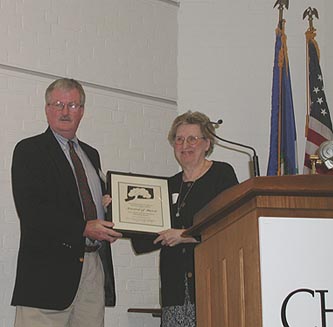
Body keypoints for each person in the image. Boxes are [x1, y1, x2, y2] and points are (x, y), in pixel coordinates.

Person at [11, 78, 122, 327]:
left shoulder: (91, 155)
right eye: (58, 104)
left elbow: (89, 205)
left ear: (82, 111)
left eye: (72, 105)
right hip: (46, 273)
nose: (64, 111)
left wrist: (112, 214)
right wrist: (83, 227)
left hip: (93, 266)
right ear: (47, 108)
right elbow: (32, 211)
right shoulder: (29, 151)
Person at [131, 111, 239, 326]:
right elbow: (143, 239)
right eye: (179, 139)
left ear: (207, 143)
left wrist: (186, 236)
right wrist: (118, 210)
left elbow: (231, 224)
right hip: (175, 292)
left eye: (192, 139)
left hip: (212, 285)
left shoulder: (221, 174)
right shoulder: (166, 186)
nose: (185, 145)